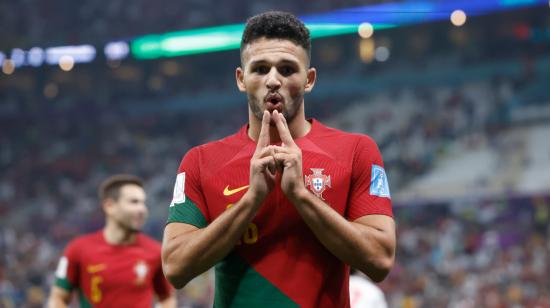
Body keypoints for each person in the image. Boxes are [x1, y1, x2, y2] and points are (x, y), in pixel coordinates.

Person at [162, 11, 396, 307]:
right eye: (260, 69)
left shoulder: (356, 151)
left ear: (309, 80)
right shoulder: (200, 161)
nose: (273, 80)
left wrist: (300, 194)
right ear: (241, 79)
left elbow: (380, 260)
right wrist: (251, 200)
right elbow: (175, 268)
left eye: (287, 69)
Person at [47, 174, 176, 308]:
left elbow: (166, 298)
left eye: (143, 203)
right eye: (134, 202)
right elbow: (58, 297)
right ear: (110, 206)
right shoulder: (78, 249)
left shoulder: (155, 251)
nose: (142, 209)